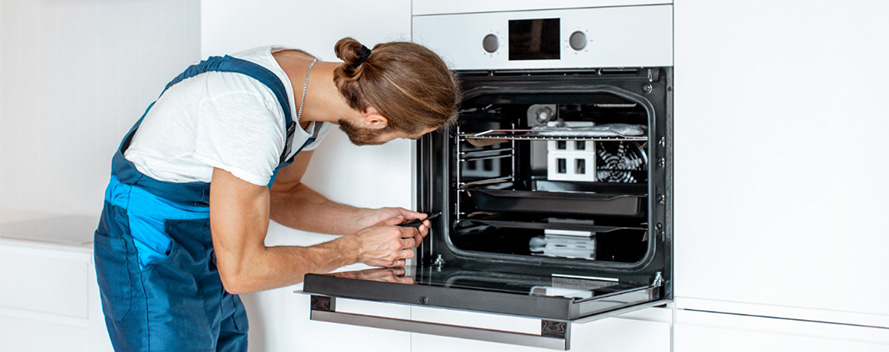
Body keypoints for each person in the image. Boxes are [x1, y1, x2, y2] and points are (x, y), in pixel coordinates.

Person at [93, 37, 460, 351]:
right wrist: (357, 249)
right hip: (150, 246)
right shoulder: (252, 114)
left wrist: (367, 221)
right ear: (375, 119)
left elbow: (283, 196)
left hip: (208, 240)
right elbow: (242, 273)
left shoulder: (317, 96)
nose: (391, 141)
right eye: (402, 136)